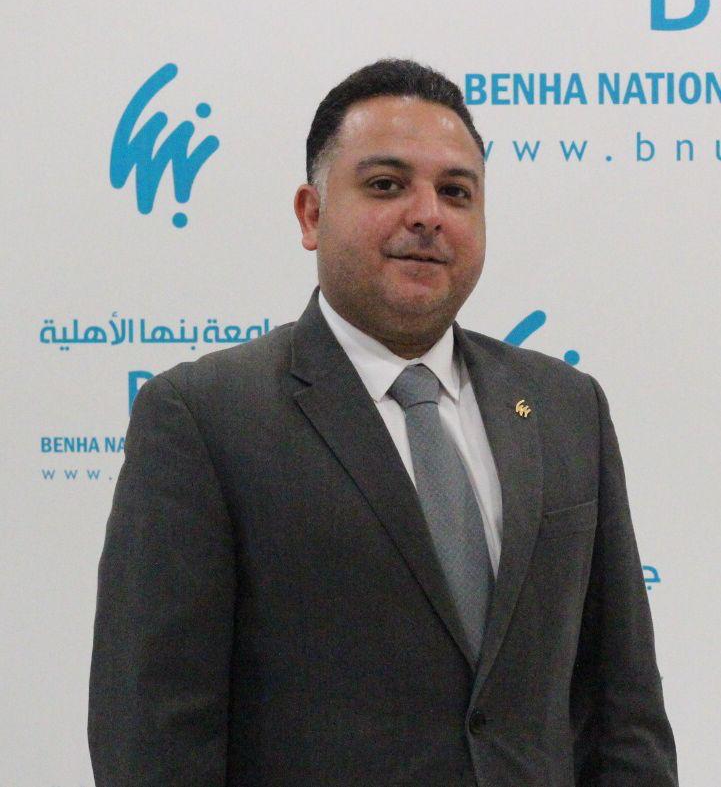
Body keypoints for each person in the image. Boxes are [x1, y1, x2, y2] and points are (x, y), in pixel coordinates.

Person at [88, 59, 678, 786]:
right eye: (386, 185)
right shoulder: (204, 416)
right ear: (311, 214)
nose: (428, 214)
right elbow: (153, 737)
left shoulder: (565, 406)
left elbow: (624, 710)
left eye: (455, 192)